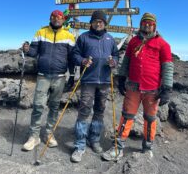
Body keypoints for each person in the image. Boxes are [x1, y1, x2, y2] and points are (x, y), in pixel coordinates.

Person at [102, 12, 174, 161]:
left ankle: (147, 148)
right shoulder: (134, 42)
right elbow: (126, 62)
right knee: (126, 116)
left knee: (150, 118)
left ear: (154, 26)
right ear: (141, 24)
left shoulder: (163, 44)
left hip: (152, 90)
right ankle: (118, 147)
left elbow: (167, 67)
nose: (147, 25)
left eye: (150, 23)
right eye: (144, 23)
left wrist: (166, 88)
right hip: (133, 87)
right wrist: (121, 78)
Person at [22, 10, 75, 151]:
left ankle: (49, 134)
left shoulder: (69, 36)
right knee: (38, 105)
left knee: (54, 106)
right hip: (43, 75)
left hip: (60, 77)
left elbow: (71, 58)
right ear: (50, 18)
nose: (56, 19)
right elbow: (33, 52)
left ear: (63, 19)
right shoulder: (41, 32)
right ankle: (34, 136)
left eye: (59, 17)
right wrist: (27, 49)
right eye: (53, 17)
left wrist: (73, 76)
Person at [70, 10, 119, 163]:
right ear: (91, 22)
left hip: (104, 81)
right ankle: (79, 145)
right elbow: (74, 55)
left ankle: (94, 140)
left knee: (99, 111)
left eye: (101, 21)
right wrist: (82, 61)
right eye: (96, 21)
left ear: (105, 23)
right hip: (88, 81)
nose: (98, 23)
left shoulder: (110, 39)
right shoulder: (84, 37)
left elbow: (116, 55)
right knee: (84, 111)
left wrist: (114, 62)